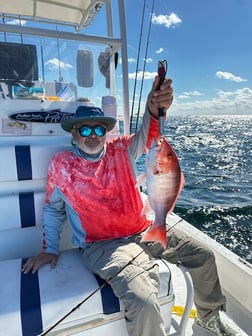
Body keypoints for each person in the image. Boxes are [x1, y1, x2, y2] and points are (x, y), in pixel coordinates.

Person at [22, 77, 236, 336]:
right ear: (74, 133)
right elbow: (54, 210)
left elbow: (150, 135)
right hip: (103, 245)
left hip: (145, 228)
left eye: (99, 129)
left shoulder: (121, 148)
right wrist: (50, 249)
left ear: (106, 132)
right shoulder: (61, 165)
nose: (93, 136)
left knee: (203, 255)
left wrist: (154, 107)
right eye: (85, 130)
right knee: (143, 301)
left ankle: (209, 318)